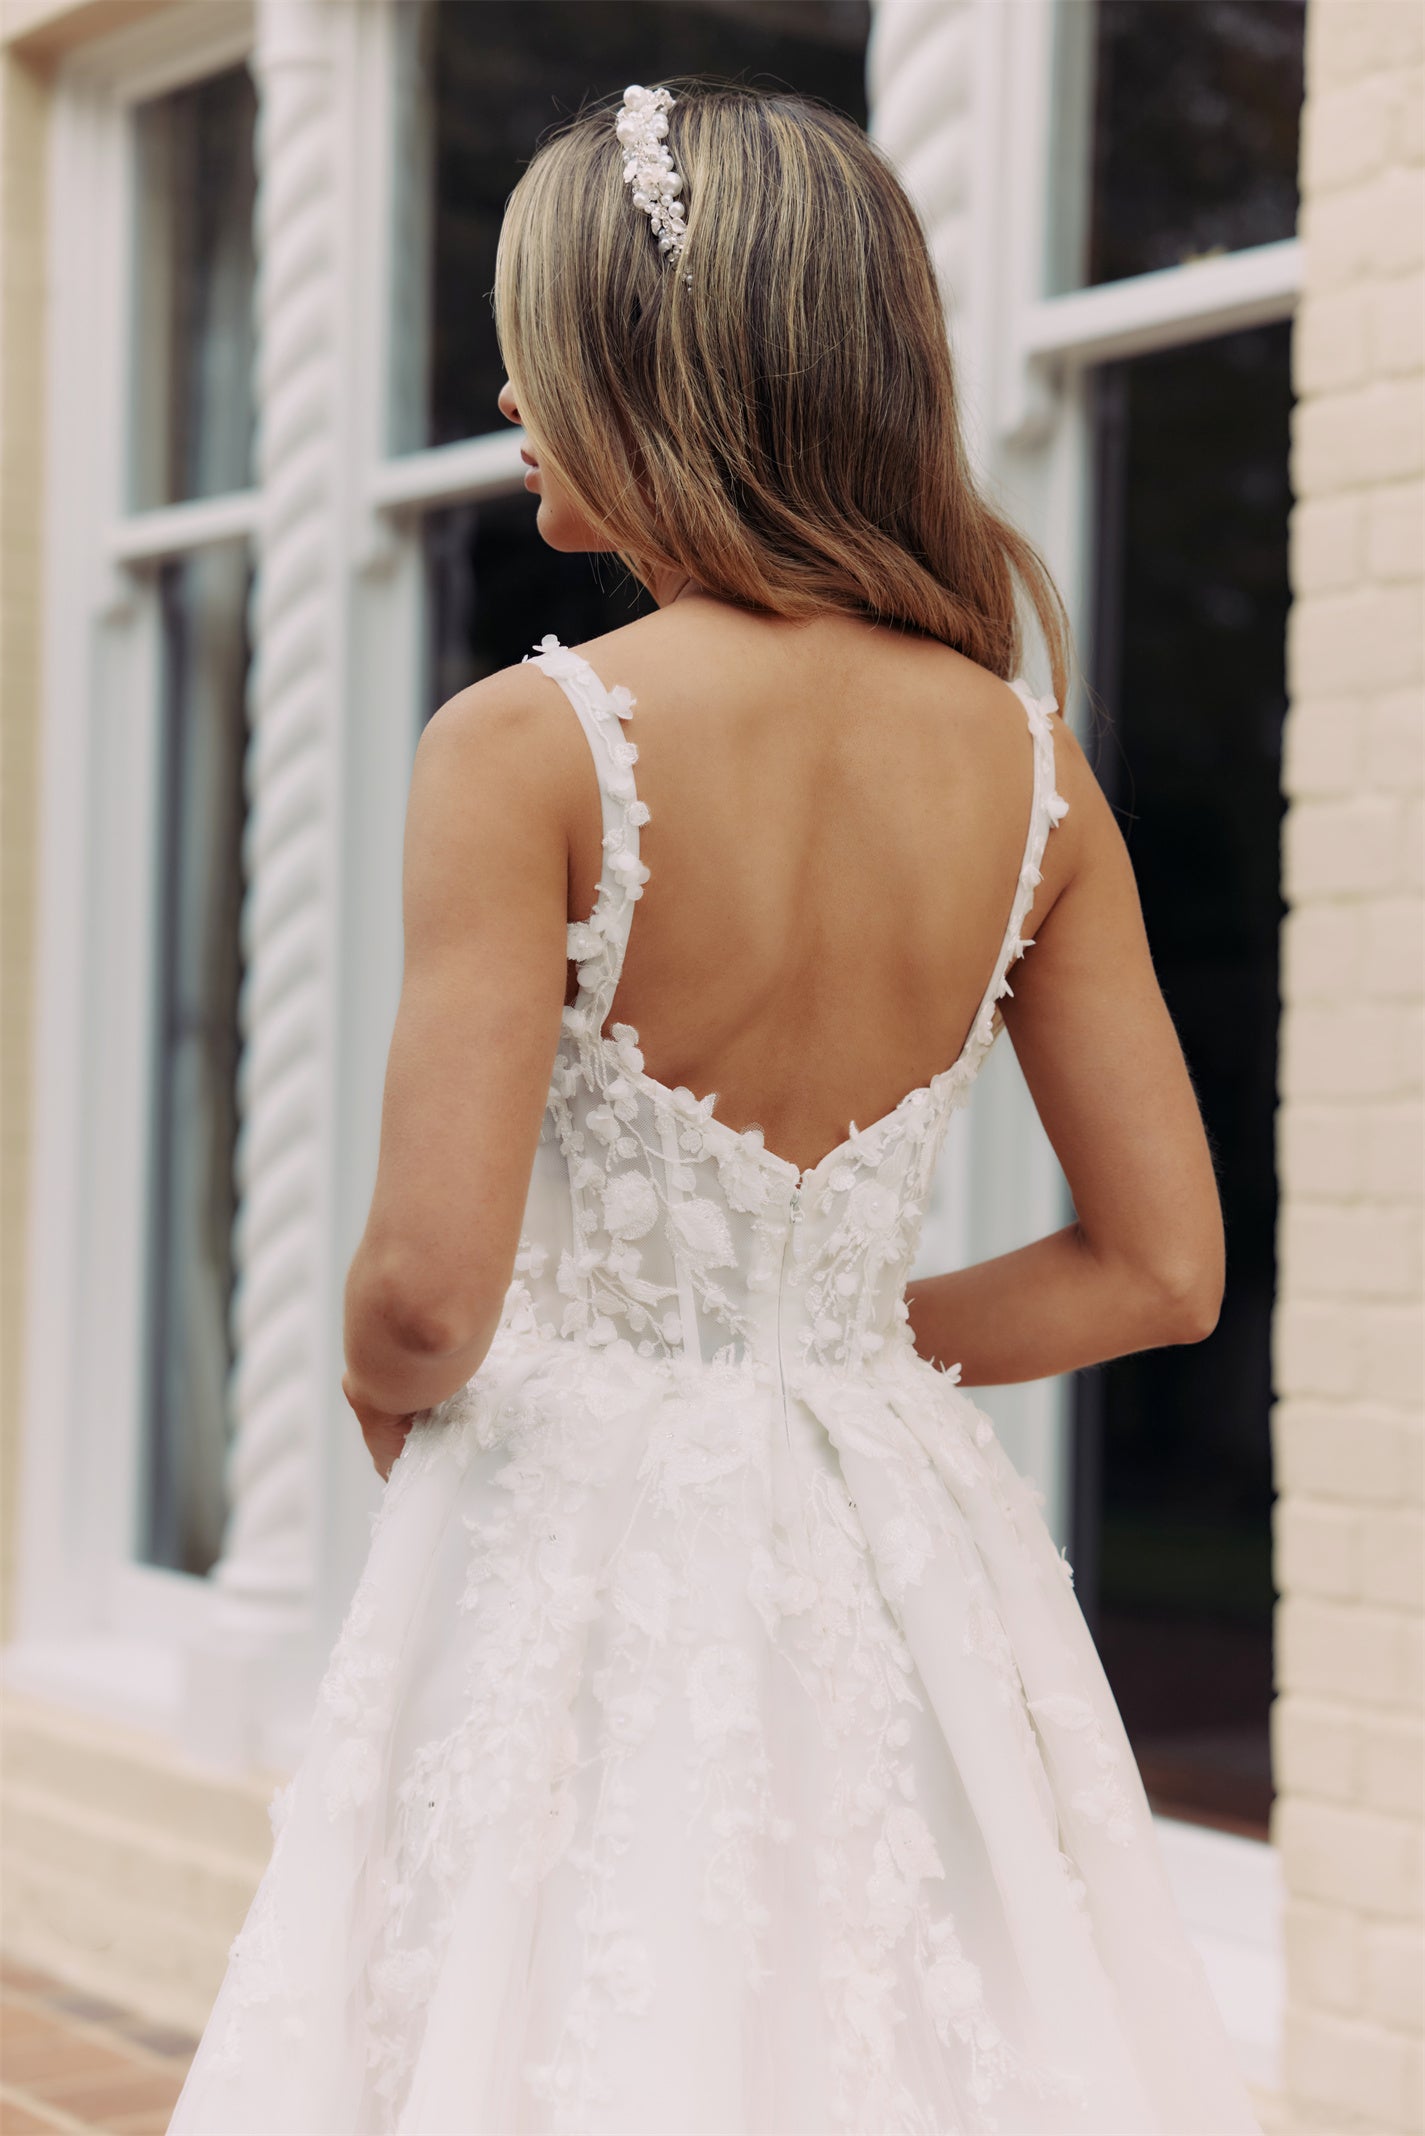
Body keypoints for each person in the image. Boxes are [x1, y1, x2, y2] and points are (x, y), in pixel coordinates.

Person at [169, 80, 1262, 2136]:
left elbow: (423, 1298)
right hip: (888, 1529)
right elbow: (1161, 1268)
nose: (502, 382)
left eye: (537, 337)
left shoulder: (527, 743)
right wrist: (827, 1358)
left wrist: (416, 1408)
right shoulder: (1032, 772)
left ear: (653, 375)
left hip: (577, 1527)